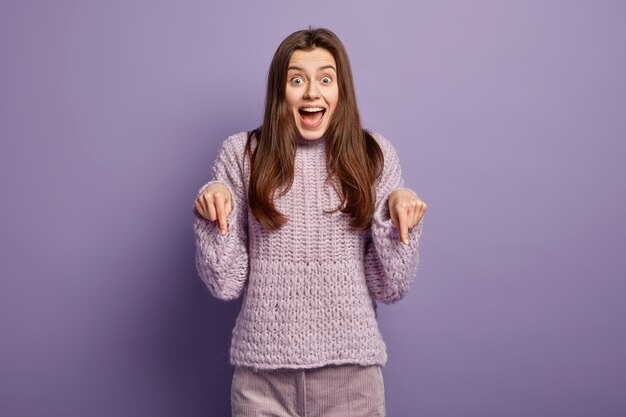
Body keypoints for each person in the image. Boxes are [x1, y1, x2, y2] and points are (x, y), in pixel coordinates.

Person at [193, 27, 427, 417]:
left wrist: (397, 220)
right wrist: (215, 216)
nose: (312, 93)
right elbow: (224, 282)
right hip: (261, 382)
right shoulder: (241, 154)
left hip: (352, 382)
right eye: (297, 79)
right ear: (279, 91)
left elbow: (391, 287)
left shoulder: (375, 156)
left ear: (341, 91)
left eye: (326, 79)